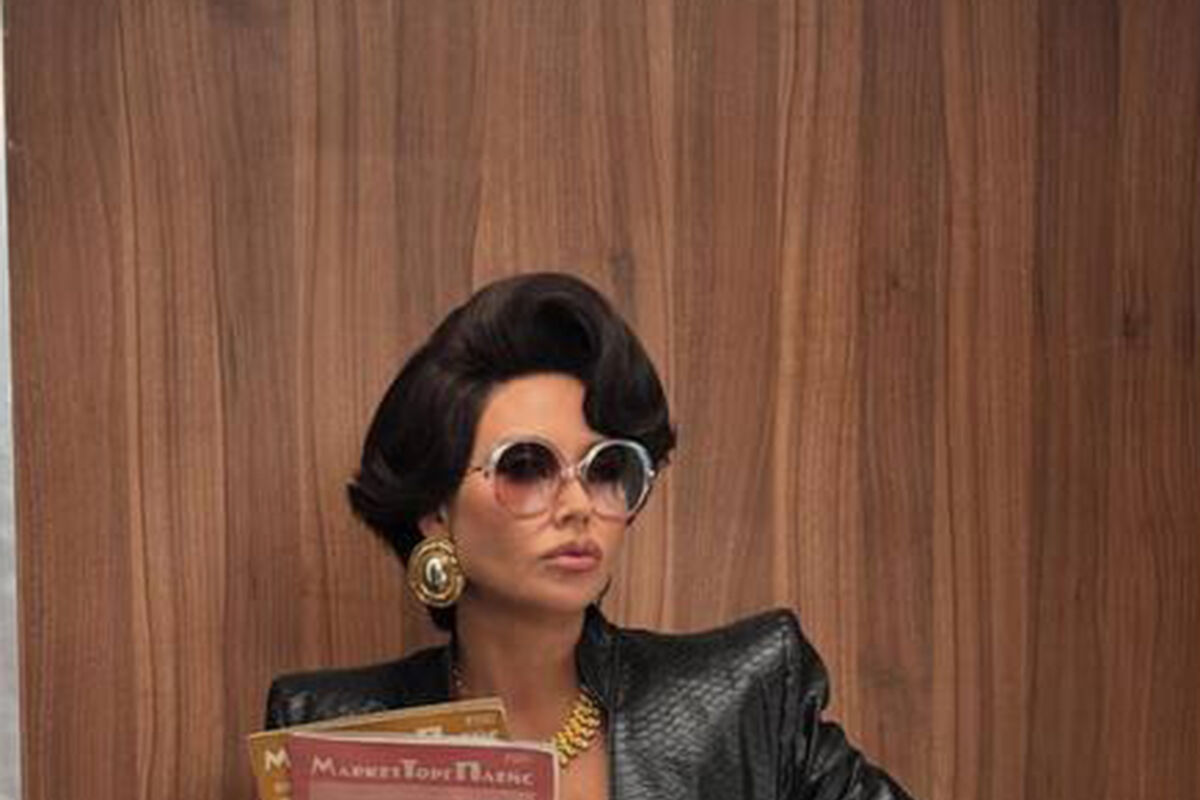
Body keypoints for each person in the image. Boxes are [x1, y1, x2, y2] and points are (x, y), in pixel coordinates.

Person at [264, 272, 913, 800]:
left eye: (607, 469)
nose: (578, 505)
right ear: (436, 510)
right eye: (526, 467)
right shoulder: (335, 735)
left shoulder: (744, 703)